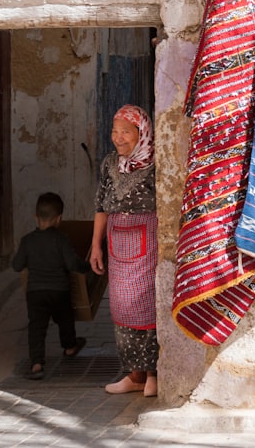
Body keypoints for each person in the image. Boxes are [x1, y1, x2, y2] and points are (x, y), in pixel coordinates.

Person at [90, 104, 159, 397]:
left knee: (149, 304)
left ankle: (154, 373)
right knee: (122, 306)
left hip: (149, 241)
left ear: (141, 133)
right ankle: (134, 374)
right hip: (118, 243)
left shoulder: (157, 164)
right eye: (114, 131)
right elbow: (102, 206)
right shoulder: (109, 164)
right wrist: (96, 244)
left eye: (125, 132)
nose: (118, 138)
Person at [12, 192, 89, 380]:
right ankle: (70, 346)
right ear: (59, 219)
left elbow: (16, 266)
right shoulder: (61, 239)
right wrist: (87, 266)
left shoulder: (27, 241)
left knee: (37, 327)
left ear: (36, 217)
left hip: (35, 292)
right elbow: (72, 264)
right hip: (59, 290)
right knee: (65, 319)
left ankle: (37, 364)